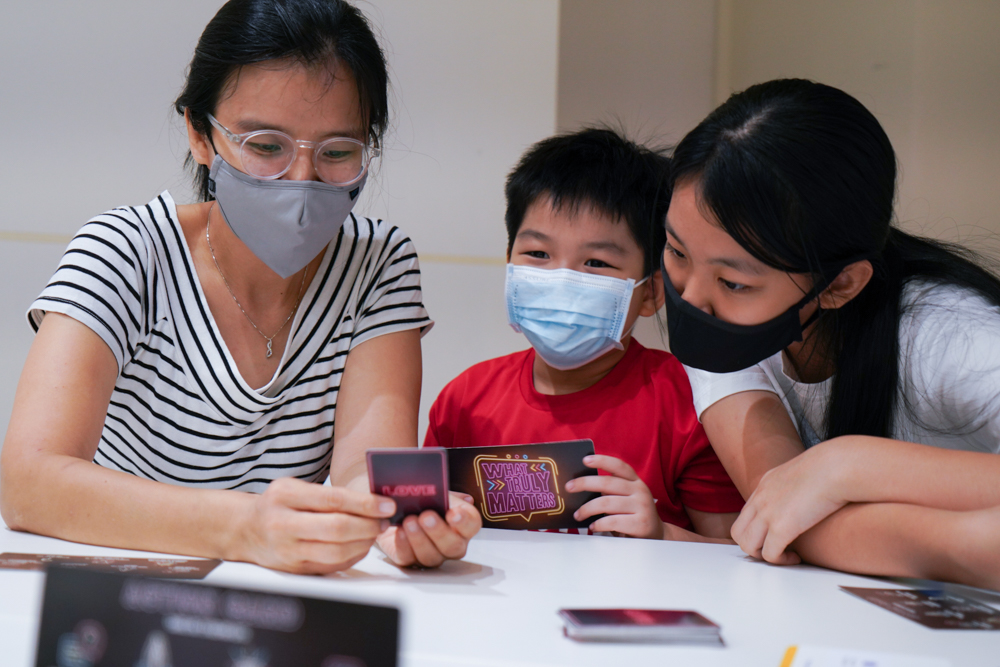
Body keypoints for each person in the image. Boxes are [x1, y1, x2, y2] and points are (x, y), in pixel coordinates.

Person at [0, 0, 481, 574]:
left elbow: (365, 472)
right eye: (266, 146)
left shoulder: (378, 265)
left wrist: (398, 520)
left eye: (337, 152)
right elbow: (29, 482)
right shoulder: (126, 251)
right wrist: (243, 528)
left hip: (279, 598)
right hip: (118, 590)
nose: (301, 181)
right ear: (200, 134)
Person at [660, 78, 1000, 590]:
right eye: (676, 251)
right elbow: (785, 522)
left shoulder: (952, 336)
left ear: (840, 284)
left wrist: (854, 465)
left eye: (734, 282)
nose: (691, 297)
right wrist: (971, 544)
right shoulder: (724, 335)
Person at [425, 128, 745, 541]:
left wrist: (662, 535)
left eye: (596, 262)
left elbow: (735, 553)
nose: (561, 279)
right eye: (538, 254)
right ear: (510, 264)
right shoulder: (465, 401)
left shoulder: (690, 405)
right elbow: (425, 525)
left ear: (651, 292)